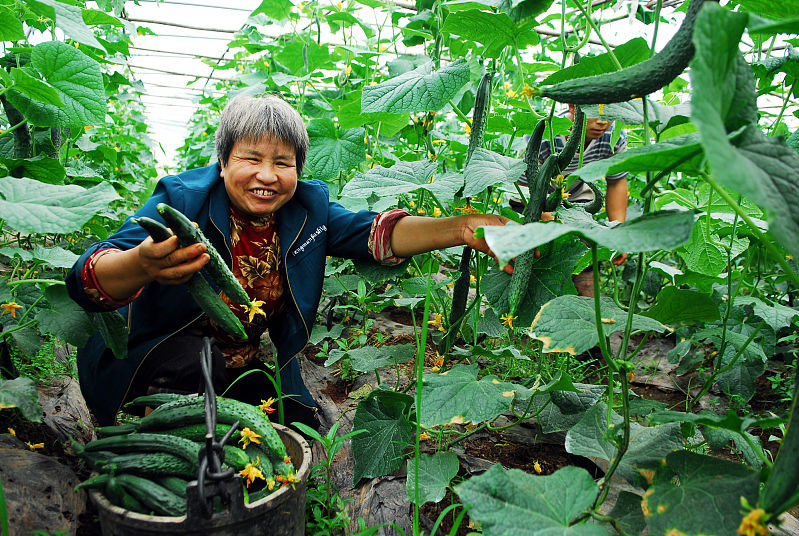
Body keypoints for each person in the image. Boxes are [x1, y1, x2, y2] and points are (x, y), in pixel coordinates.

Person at [65, 94, 511, 429]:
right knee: (197, 365)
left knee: (292, 421)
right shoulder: (182, 200)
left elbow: (376, 233)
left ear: (298, 168)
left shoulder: (306, 209)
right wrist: (142, 264)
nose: (267, 175)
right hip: (149, 357)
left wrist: (459, 228)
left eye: (283, 162)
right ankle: (152, 432)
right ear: (223, 161)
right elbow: (86, 275)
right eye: (251, 158)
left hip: (236, 360)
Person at [514, 103, 629, 296]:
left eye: (609, 113)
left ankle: (585, 299)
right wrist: (546, 216)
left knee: (583, 249)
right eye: (595, 112)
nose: (602, 121)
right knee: (534, 254)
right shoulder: (546, 135)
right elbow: (523, 185)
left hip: (575, 199)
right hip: (531, 199)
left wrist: (618, 232)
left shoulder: (614, 137)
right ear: (572, 107)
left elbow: (616, 183)